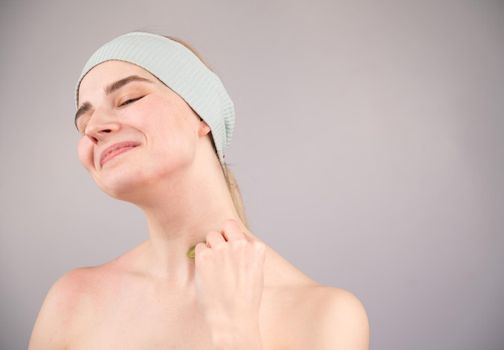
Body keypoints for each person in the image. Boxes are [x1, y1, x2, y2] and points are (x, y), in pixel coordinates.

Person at [28, 31, 369, 349]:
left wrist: (235, 329)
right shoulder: (73, 300)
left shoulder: (326, 316)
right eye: (83, 125)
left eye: (129, 98)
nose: (95, 129)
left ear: (201, 114)